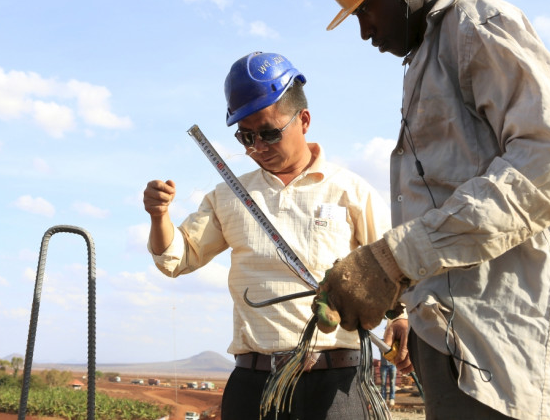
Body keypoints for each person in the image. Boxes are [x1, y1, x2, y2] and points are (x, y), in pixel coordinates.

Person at [311, 0, 550, 419]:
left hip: (501, 357)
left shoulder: (478, 25)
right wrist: (399, 281)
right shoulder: (428, 56)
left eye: (366, 8)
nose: (365, 32)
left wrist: (395, 259)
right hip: (458, 348)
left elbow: (547, 165)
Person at [143, 51, 391, 420]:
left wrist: (402, 320)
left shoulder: (351, 191)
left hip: (336, 386)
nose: (258, 147)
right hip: (254, 385)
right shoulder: (227, 195)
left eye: (269, 133)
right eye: (246, 137)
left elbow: (396, 267)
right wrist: (159, 215)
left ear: (303, 120)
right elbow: (177, 258)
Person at [378, 322, 397, 407]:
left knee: (392, 382)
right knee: (383, 383)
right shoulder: (381, 342)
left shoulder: (395, 341)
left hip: (392, 365)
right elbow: (382, 351)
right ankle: (383, 399)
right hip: (384, 365)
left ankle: (392, 398)